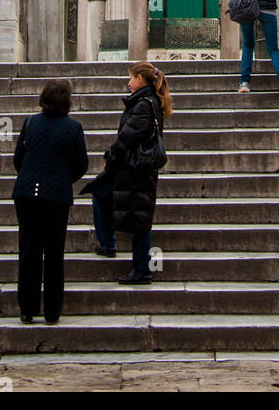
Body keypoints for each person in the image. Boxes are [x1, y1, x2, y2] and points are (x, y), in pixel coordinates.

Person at [12, 78, 88, 325]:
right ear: (67, 101)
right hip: (56, 196)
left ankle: (27, 309)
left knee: (29, 251)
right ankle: (52, 311)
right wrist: (63, 179)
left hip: (26, 194)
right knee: (54, 254)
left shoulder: (30, 122)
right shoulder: (73, 127)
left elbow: (18, 159)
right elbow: (81, 165)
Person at [90, 61, 172, 286]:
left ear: (141, 80)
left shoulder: (144, 104)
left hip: (135, 169)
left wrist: (111, 157)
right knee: (104, 195)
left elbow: (128, 137)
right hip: (135, 169)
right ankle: (108, 244)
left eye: (131, 77)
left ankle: (141, 269)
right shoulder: (147, 101)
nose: (128, 82)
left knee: (139, 219)